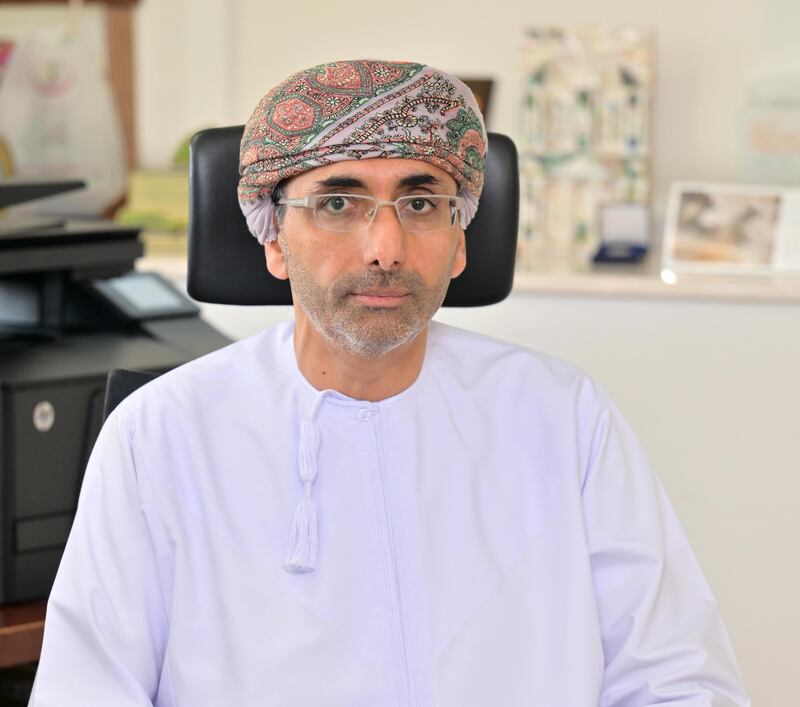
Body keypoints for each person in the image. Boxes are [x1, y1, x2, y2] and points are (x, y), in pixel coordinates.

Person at [30, 59, 750, 706]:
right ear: (273, 238)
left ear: (460, 240)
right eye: (337, 204)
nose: (385, 248)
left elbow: (678, 678)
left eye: (420, 204)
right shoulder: (163, 433)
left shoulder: (561, 417)